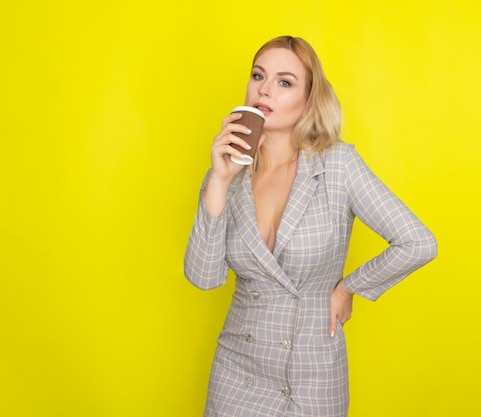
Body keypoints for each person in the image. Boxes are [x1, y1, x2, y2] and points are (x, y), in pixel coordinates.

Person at [184, 35, 437, 417]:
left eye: (285, 82)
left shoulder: (337, 166)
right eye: (258, 76)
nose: (265, 89)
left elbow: (418, 242)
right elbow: (204, 277)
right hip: (237, 373)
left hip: (313, 376)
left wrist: (350, 288)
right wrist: (219, 180)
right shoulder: (227, 177)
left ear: (309, 98)